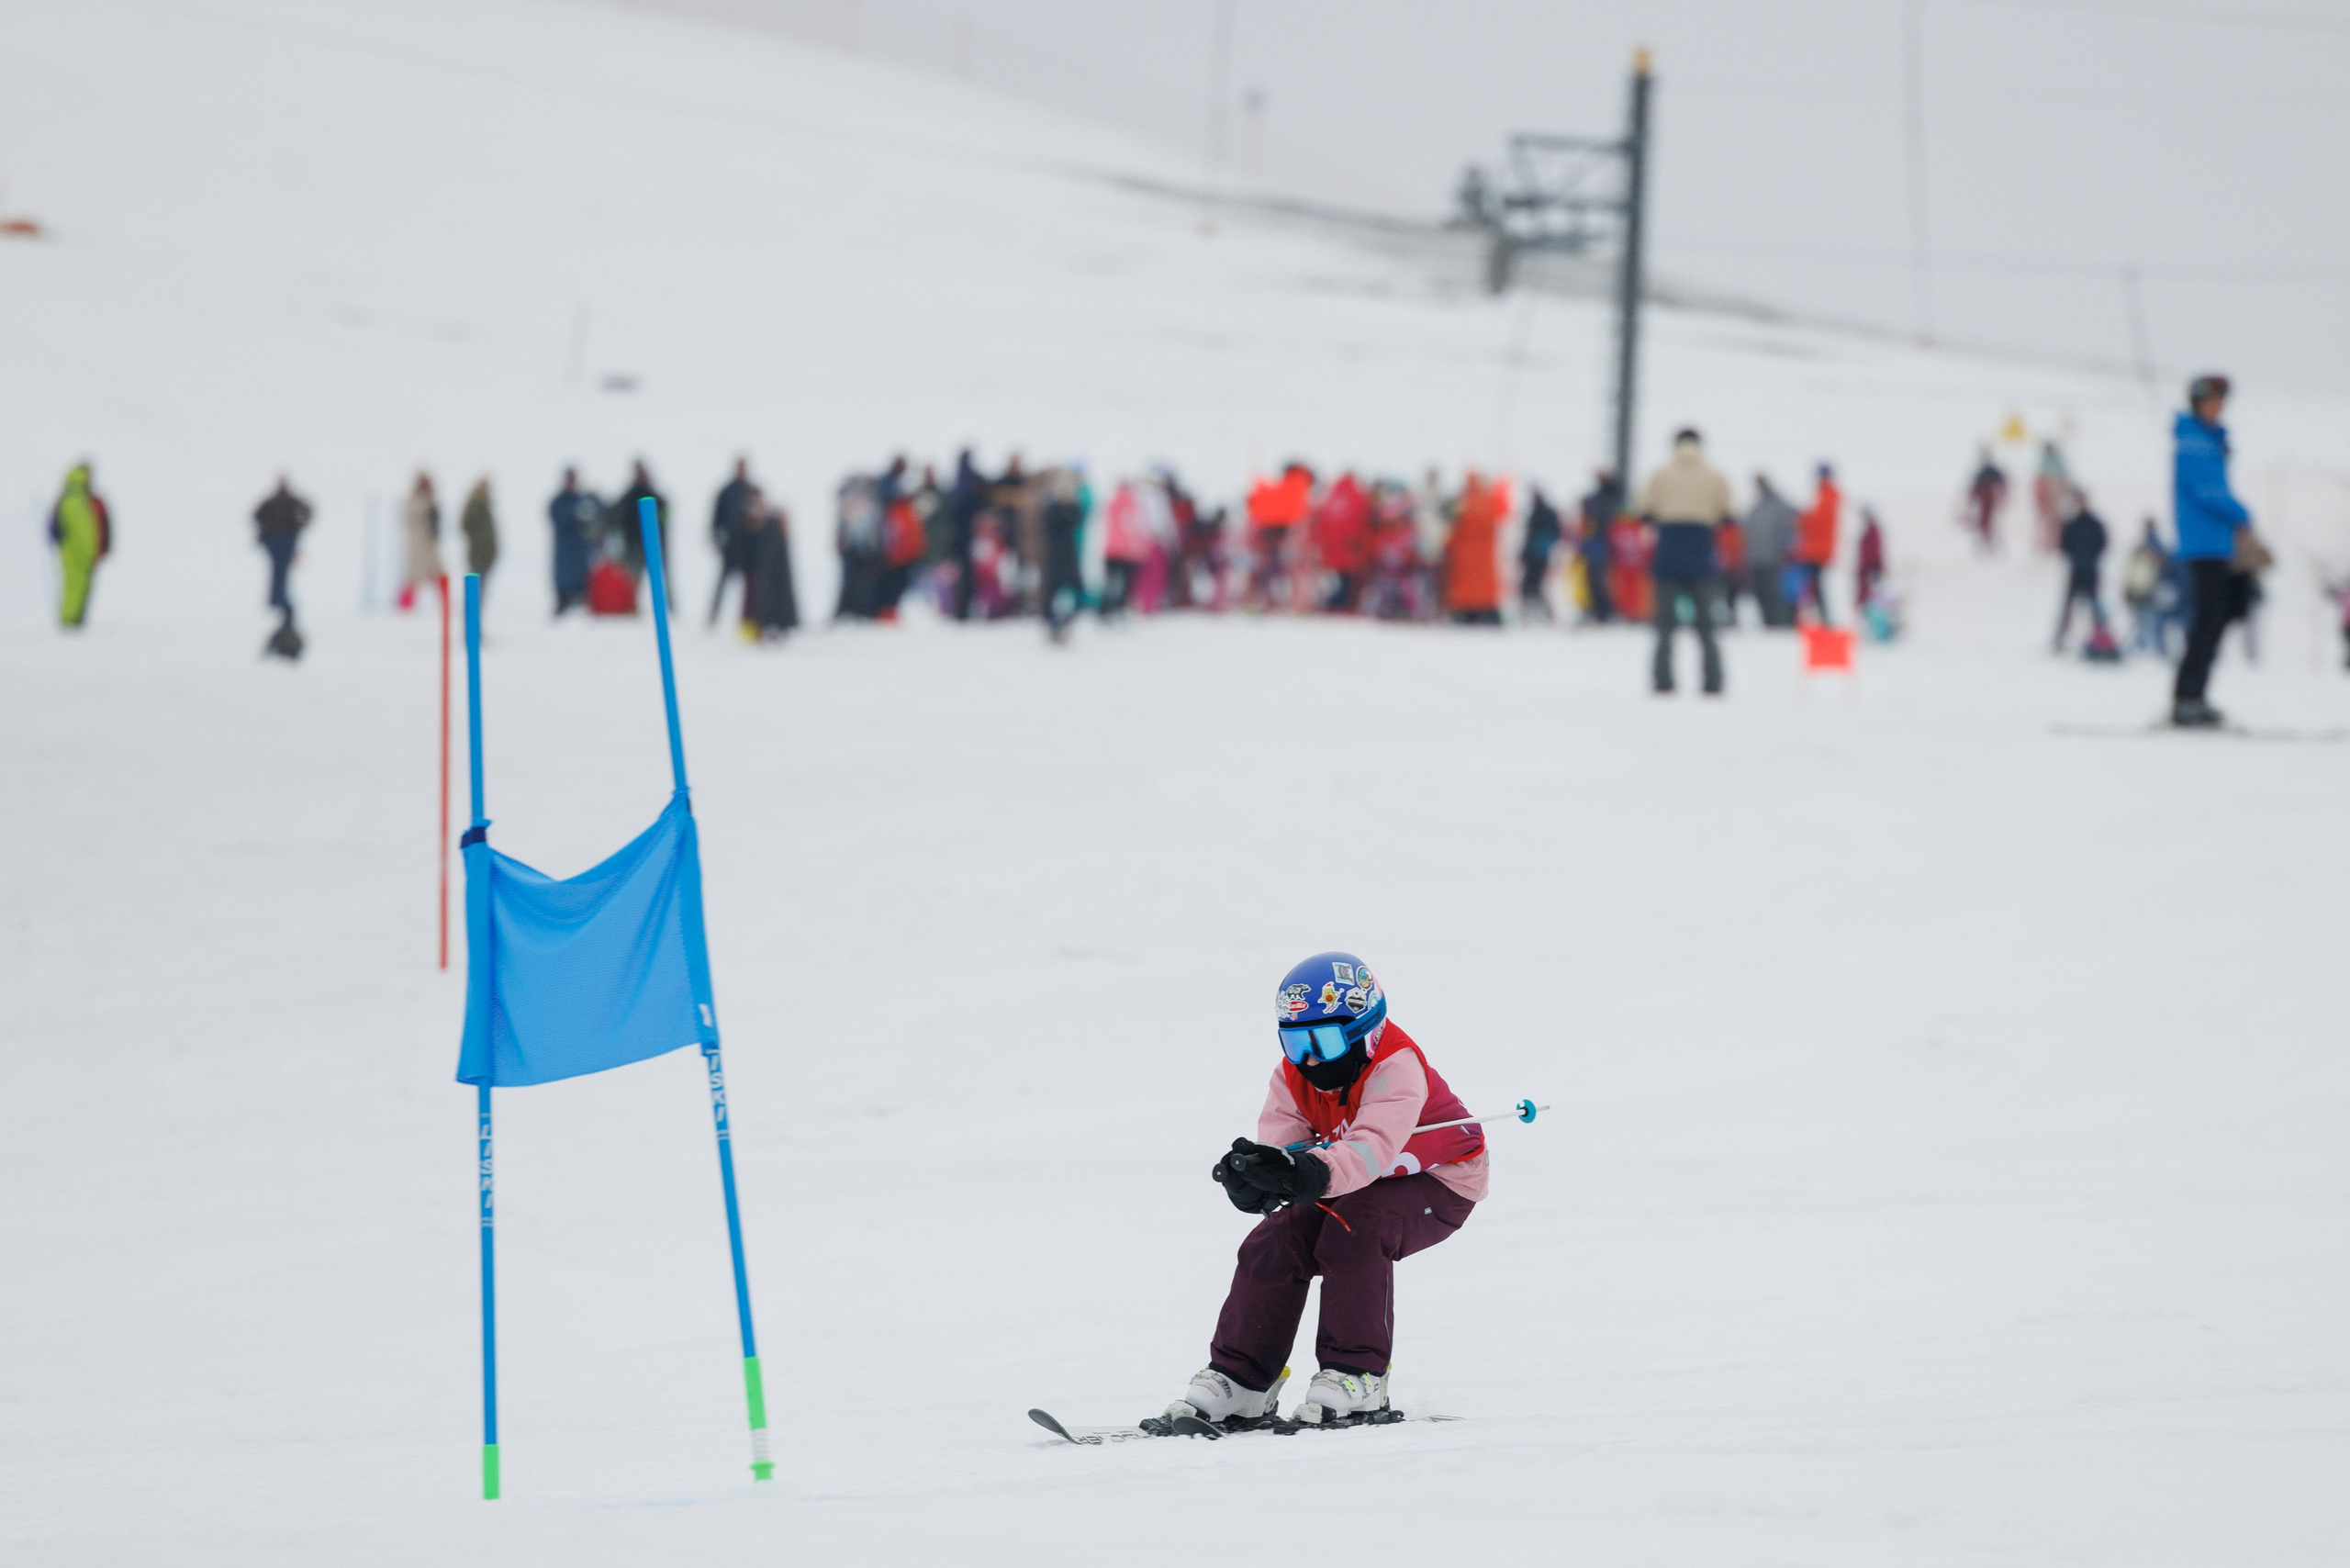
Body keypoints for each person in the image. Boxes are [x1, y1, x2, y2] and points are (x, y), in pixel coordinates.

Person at [1165, 953, 1485, 1432]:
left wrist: (1308, 1175)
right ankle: (1243, 1381)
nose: (1310, 1058)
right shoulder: (1293, 1075)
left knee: (1354, 1226)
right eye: (1296, 1042)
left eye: (1325, 1040)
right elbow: (1284, 1145)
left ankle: (1358, 1375)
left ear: (1364, 1030)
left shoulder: (1395, 1066)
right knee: (1277, 1238)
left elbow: (1370, 1148)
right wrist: (1263, 1177)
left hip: (1439, 1181)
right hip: (1354, 1179)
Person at [2169, 374, 2255, 728]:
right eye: (2213, 401)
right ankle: (2187, 698)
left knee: (2221, 616)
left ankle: (2195, 696)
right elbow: (2210, 491)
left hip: (2217, 545)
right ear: (2198, 403)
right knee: (2208, 621)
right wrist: (2244, 515)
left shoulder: (2207, 439)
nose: (2219, 408)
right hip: (2203, 546)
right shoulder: (2193, 441)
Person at [1637, 429, 1732, 695]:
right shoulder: (1716, 476)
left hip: (1668, 553)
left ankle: (1662, 680)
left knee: (1664, 625)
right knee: (1707, 626)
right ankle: (1713, 682)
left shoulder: (1660, 474)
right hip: (1701, 553)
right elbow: (1728, 514)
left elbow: (1645, 512)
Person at [49, 462, 112, 629]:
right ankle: (71, 620)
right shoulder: (88, 500)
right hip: (83, 552)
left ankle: (71, 618)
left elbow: (53, 528)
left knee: (72, 586)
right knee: (77, 586)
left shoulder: (66, 498)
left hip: (71, 552)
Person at [252, 475, 313, 636]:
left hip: (284, 541)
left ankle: (279, 600)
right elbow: (256, 515)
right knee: (279, 572)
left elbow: (308, 511)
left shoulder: (287, 501)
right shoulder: (276, 501)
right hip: (280, 541)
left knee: (279, 572)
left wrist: (297, 527)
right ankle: (278, 600)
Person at [740, 488, 800, 642]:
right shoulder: (760, 522)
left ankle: (775, 629)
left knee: (773, 603)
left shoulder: (772, 522)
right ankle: (764, 629)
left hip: (773, 573)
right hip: (766, 572)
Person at [2053, 495, 2110, 654]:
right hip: (2076, 571)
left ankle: (2102, 640)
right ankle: (2059, 639)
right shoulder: (2071, 524)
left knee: (2095, 608)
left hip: (2091, 571)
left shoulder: (2095, 524)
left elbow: (2103, 544)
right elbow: (2064, 545)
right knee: (2068, 607)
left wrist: (2089, 558)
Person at [608, 460, 670, 605]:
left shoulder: (655, 497)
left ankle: (668, 607)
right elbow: (615, 517)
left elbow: (665, 518)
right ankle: (630, 605)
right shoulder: (628, 497)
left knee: (659, 580)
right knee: (631, 579)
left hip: (653, 545)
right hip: (633, 545)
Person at [1742, 476, 1798, 628]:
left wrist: (1784, 552)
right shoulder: (1756, 508)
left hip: (1774, 561)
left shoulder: (1780, 506)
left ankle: (1780, 628)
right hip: (1757, 560)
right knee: (1762, 596)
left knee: (1776, 597)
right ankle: (1769, 627)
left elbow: (1791, 530)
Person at [1039, 466, 1086, 643]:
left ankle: (1065, 623)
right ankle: (1054, 625)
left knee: (1075, 591)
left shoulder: (1072, 507)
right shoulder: (1052, 508)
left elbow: (1078, 517)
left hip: (1070, 555)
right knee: (1052, 592)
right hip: (1055, 557)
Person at [709, 458, 755, 627]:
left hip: (747, 549)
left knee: (750, 588)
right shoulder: (726, 491)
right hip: (730, 548)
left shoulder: (750, 490)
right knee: (722, 584)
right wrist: (716, 539)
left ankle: (747, 619)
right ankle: (713, 617)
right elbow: (716, 518)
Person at [1791, 465, 1841, 624]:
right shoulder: (1827, 495)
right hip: (1820, 549)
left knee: (1815, 586)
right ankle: (1820, 616)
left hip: (1817, 550)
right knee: (1815, 586)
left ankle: (1822, 618)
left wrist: (1801, 519)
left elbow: (1818, 522)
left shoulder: (1827, 496)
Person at [548, 468, 599, 617]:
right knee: (563, 583)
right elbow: (557, 517)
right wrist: (574, 515)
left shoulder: (582, 500)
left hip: (580, 551)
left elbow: (594, 518)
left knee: (581, 583)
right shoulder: (558, 501)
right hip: (564, 550)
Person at [1576, 469, 1622, 623]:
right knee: (1595, 579)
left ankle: (1606, 610)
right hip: (1598, 544)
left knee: (1602, 580)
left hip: (1604, 544)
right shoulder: (1608, 499)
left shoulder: (1609, 499)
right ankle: (1599, 610)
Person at [2121, 519, 2170, 655]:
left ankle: (2149, 648)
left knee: (2148, 621)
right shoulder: (2147, 547)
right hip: (2142, 589)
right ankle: (2148, 647)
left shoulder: (2151, 547)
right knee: (2145, 621)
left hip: (2146, 589)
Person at [1518, 485, 1563, 622]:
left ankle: (1534, 614)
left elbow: (1549, 535)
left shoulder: (1542, 513)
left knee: (1532, 586)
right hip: (1538, 555)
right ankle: (1541, 613)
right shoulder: (1544, 512)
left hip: (1537, 555)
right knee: (1534, 586)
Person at [399, 471, 442, 611]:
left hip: (430, 544)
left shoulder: (430, 499)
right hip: (417, 544)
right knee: (413, 577)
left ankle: (445, 606)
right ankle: (405, 608)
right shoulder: (415, 499)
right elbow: (410, 517)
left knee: (439, 574)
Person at [461, 477, 498, 598]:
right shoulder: (475, 504)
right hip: (478, 551)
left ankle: (474, 613)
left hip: (486, 551)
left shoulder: (486, 505)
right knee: (475, 581)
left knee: (480, 583)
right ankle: (471, 613)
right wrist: (477, 538)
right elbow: (465, 524)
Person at [1964, 450, 2009, 554]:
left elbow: (2001, 483)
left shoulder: (1990, 471)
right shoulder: (1983, 471)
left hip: (1988, 498)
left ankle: (1989, 544)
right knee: (1984, 522)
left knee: (1987, 522)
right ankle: (1986, 544)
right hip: (1984, 499)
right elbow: (1976, 487)